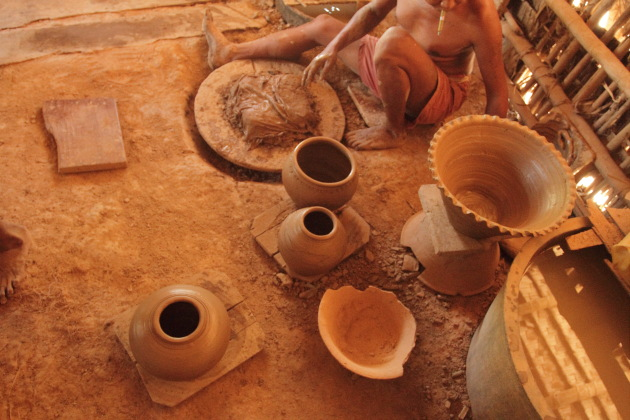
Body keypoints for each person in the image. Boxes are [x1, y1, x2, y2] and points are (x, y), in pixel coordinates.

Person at [203, 0, 508, 150]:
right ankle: (230, 53)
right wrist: (333, 47)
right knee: (324, 26)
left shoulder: (482, 17)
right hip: (392, 66)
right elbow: (372, 12)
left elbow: (497, 95)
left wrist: (485, 150)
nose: (448, 5)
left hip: (434, 96)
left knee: (393, 41)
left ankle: (393, 130)